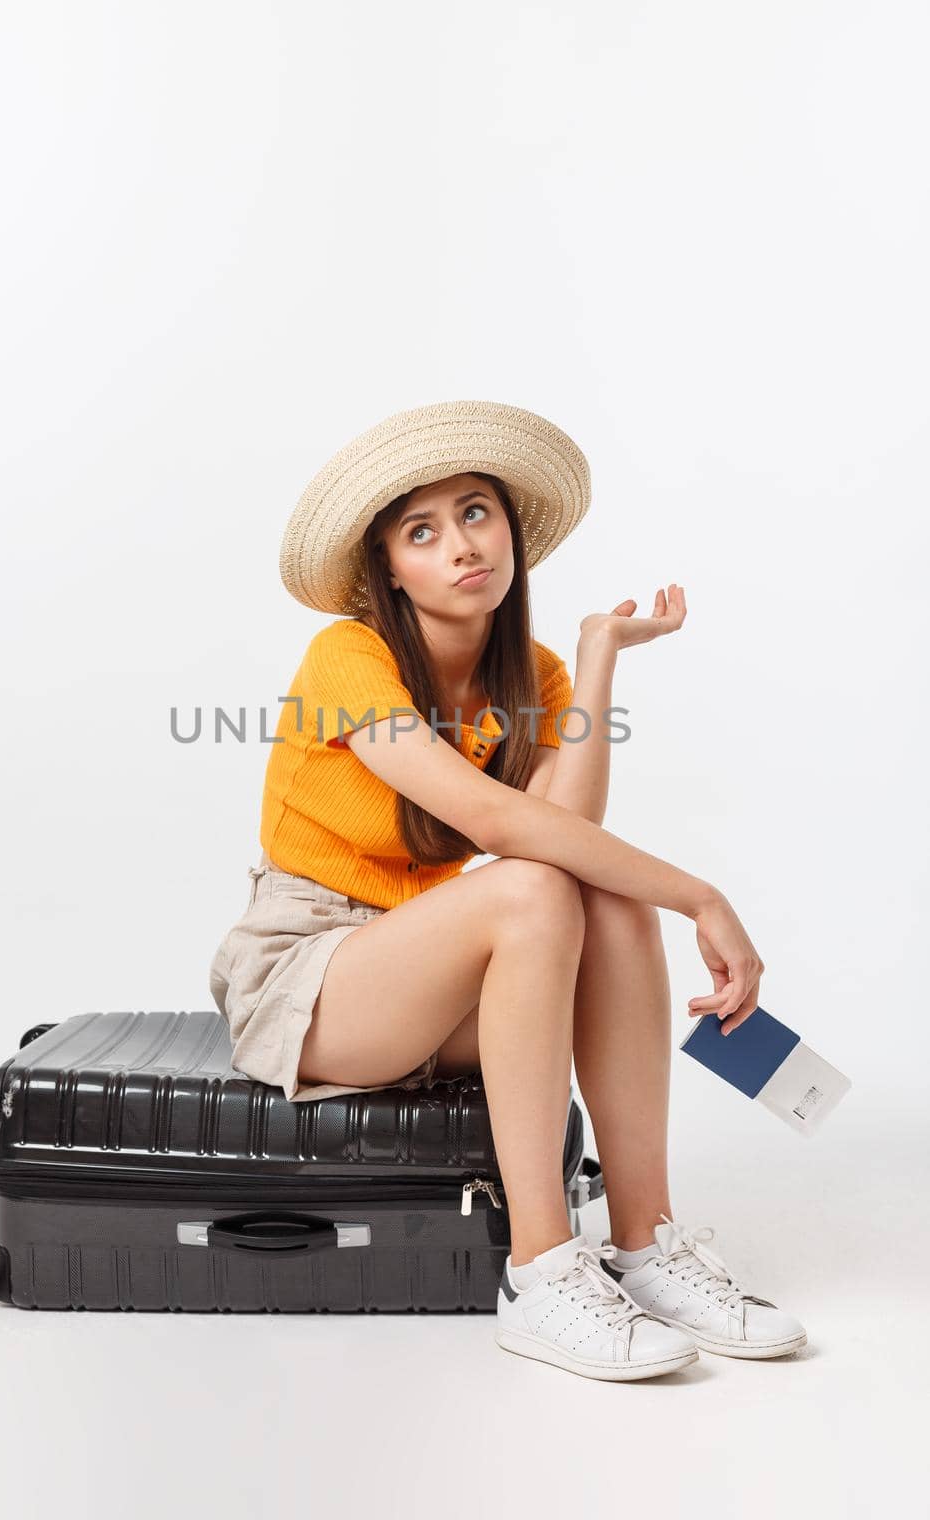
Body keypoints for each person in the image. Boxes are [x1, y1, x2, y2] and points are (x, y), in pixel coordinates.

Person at [208, 399, 807, 1381]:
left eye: (475, 511)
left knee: (596, 891)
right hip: (310, 982)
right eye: (420, 530)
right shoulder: (347, 657)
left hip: (428, 970)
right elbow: (500, 831)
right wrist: (699, 895)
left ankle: (645, 1241)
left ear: (511, 530)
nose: (459, 545)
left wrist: (596, 655)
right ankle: (539, 1272)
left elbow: (567, 833)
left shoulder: (527, 673)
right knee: (533, 886)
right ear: (385, 570)